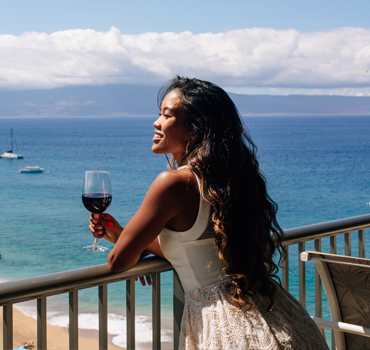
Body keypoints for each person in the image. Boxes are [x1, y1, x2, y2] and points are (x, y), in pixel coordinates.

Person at [89, 77, 328, 350]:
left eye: (167, 115)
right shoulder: (231, 180)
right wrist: (120, 234)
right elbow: (195, 251)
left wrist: (126, 244)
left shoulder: (172, 183)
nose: (156, 122)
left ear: (195, 129)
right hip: (281, 318)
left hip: (228, 328)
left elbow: (118, 262)